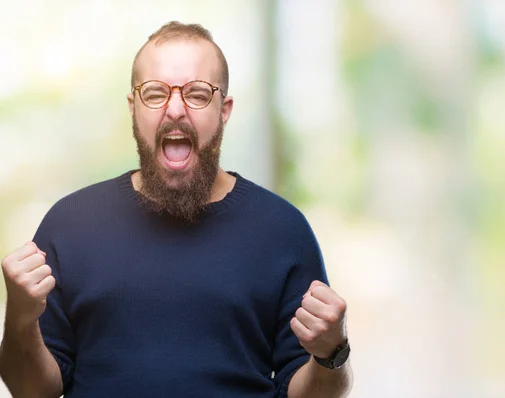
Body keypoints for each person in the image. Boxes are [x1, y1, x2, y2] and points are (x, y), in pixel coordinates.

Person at [0, 21, 353, 397]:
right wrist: (20, 317)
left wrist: (332, 352)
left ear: (224, 109)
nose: (175, 109)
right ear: (134, 108)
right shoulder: (69, 224)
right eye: (155, 94)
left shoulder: (282, 230)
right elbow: (31, 390)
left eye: (198, 94)